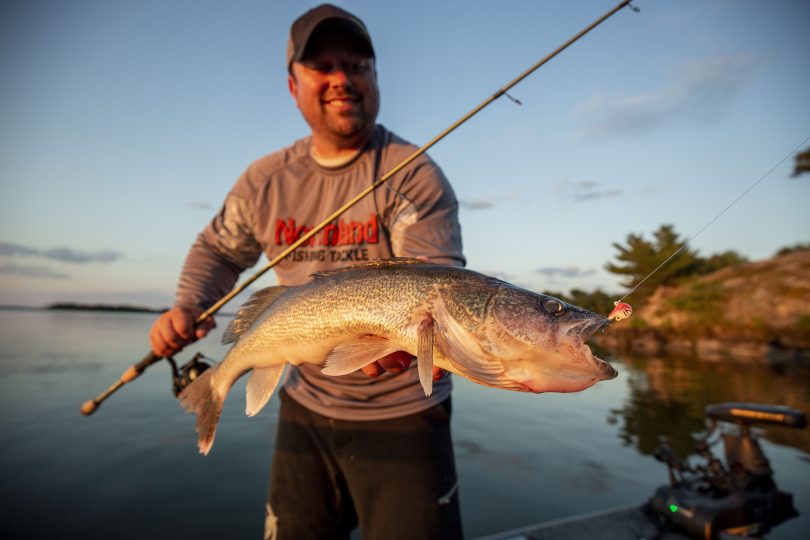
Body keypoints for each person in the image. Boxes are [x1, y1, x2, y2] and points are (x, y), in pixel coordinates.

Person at [148, 4, 465, 540]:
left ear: (375, 77)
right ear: (292, 85)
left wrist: (395, 349)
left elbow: (434, 287)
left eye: (357, 64)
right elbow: (220, 251)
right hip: (303, 406)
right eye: (322, 67)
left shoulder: (414, 175)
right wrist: (188, 303)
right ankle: (214, 391)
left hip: (405, 413)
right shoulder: (264, 182)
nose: (342, 79)